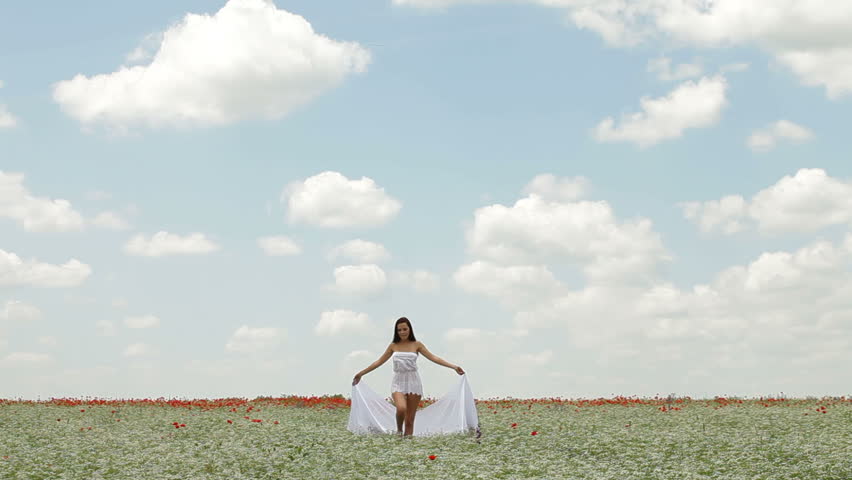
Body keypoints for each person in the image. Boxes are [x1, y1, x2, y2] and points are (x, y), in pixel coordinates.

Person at [352, 317, 464, 437]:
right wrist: (361, 373)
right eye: (399, 330)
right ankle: (399, 432)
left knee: (410, 420)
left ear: (410, 329)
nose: (402, 332)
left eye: (404, 329)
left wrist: (454, 367)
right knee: (401, 408)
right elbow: (378, 362)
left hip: (413, 382)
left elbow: (434, 358)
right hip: (398, 381)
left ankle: (407, 446)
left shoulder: (417, 345)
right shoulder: (393, 346)